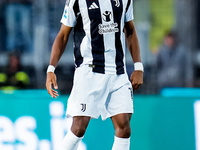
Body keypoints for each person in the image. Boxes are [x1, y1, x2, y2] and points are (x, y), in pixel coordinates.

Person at [46, 0, 143, 149]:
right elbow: (63, 35)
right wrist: (51, 69)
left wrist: (138, 67)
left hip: (118, 71)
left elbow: (129, 30)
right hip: (89, 71)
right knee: (78, 128)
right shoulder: (77, 1)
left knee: (124, 127)